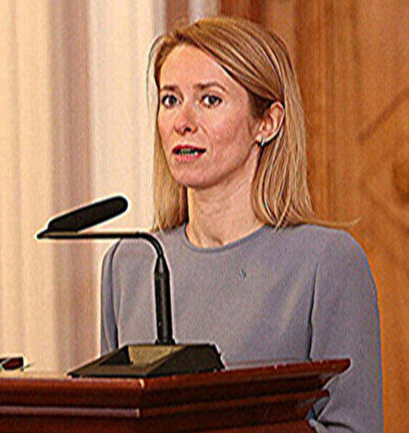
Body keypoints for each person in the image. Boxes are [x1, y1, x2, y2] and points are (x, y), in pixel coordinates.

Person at [100, 16, 382, 433]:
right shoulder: (128, 263)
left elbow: (354, 427)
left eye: (210, 100)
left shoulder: (328, 262)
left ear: (267, 122)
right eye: (170, 99)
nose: (182, 121)